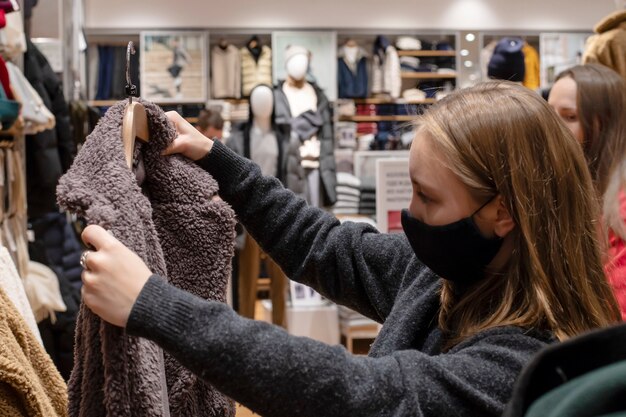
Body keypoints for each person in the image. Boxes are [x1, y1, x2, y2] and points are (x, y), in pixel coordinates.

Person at [77, 81, 620, 417]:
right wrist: (218, 161)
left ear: (503, 211)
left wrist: (154, 304)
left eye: (428, 198)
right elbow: (324, 244)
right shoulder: (448, 276)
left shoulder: (525, 363)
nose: (411, 215)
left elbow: (359, 394)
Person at [548, 64, 626, 319]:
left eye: (569, 117)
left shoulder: (620, 208)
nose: (552, 128)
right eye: (549, 114)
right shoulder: (561, 183)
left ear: (604, 125)